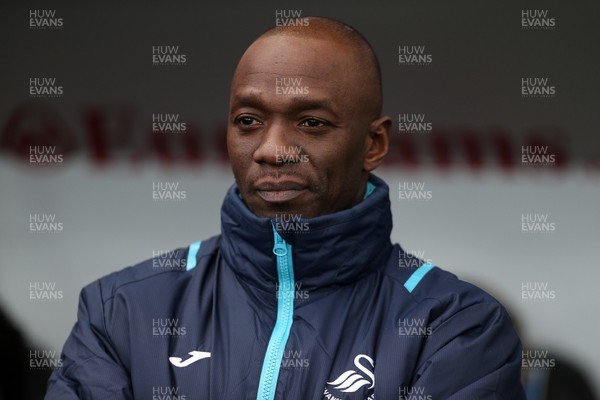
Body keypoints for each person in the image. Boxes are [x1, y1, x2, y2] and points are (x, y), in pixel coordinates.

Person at [45, 17, 525, 399]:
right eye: (248, 120)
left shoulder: (455, 325)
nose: (272, 149)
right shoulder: (121, 310)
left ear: (374, 143)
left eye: (312, 122)